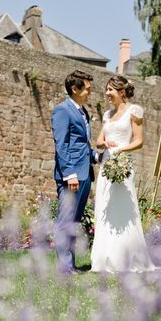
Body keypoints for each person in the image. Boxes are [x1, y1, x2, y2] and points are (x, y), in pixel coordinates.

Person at [90, 75, 156, 273]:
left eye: (111, 89)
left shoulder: (134, 111)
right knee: (105, 207)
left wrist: (120, 150)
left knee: (124, 208)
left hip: (123, 165)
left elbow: (139, 141)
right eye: (107, 89)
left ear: (121, 92)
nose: (107, 93)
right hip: (106, 167)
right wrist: (105, 144)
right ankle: (104, 258)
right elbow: (99, 142)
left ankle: (126, 258)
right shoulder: (107, 115)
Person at [51, 70, 97, 274]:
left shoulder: (82, 112)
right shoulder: (62, 111)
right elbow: (61, 145)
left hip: (85, 173)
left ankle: (71, 265)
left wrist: (99, 157)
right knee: (65, 222)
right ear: (74, 88)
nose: (90, 92)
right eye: (87, 89)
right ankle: (64, 268)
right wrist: (69, 174)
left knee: (73, 222)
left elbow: (82, 145)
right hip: (71, 177)